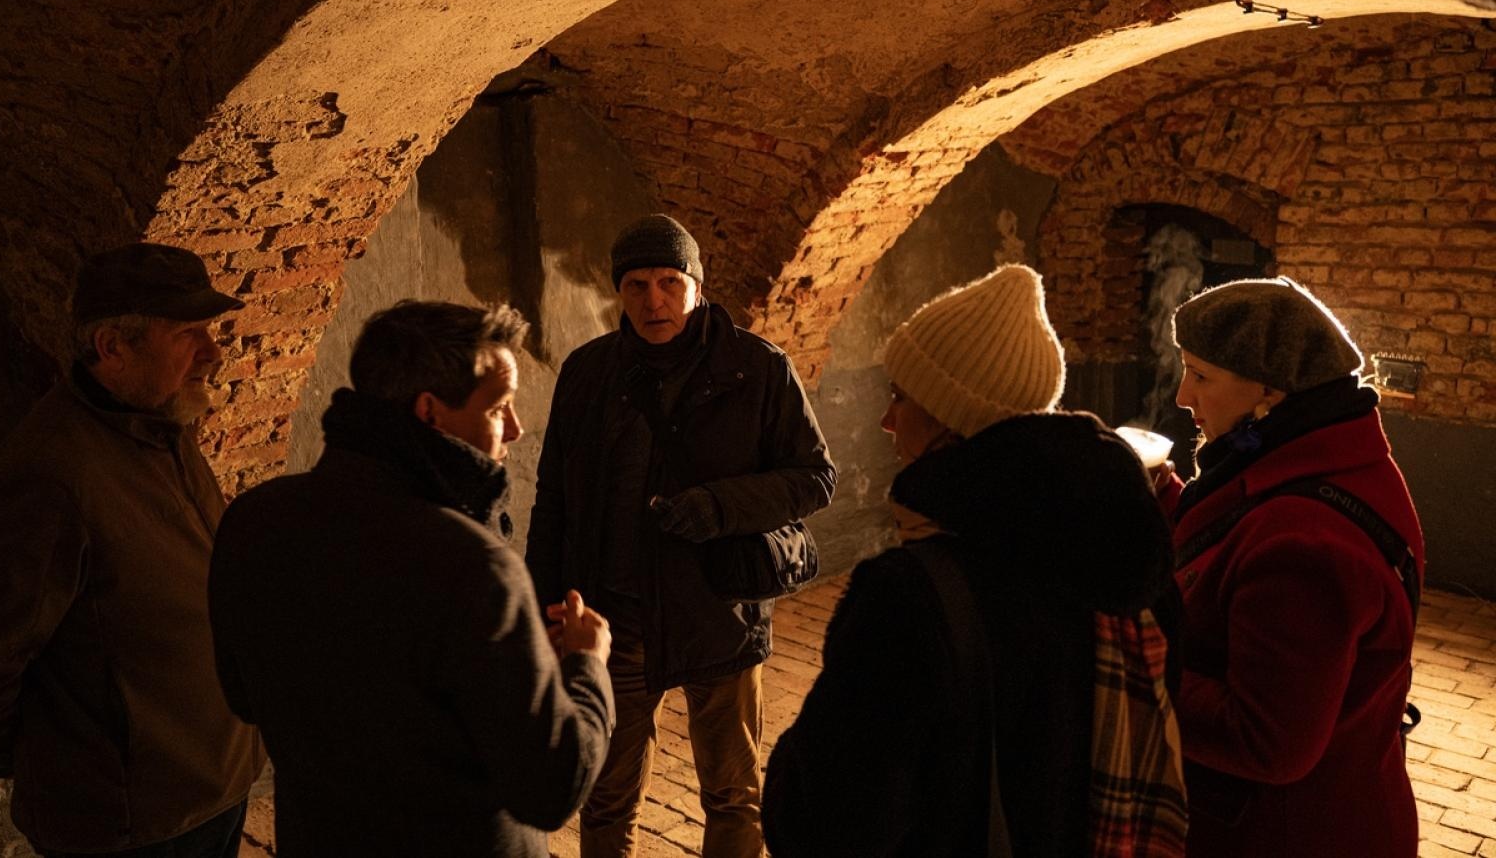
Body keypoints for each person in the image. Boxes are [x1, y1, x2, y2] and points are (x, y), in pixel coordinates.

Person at [763, 264, 1182, 857]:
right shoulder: (1129, 554)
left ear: (949, 417)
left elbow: (824, 822)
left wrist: (792, 760)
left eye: (900, 397)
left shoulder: (910, 594)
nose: (886, 420)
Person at [208, 300, 615, 857]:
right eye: (499, 407)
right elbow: (551, 787)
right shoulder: (476, 567)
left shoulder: (255, 519)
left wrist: (508, 662)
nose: (516, 429)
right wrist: (586, 665)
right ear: (430, 412)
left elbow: (245, 697)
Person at [0, 242, 265, 857]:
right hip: (134, 828)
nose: (213, 352)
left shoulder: (161, 425)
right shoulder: (51, 478)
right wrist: (65, 768)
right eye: (188, 334)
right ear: (113, 347)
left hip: (215, 788)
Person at [527, 214, 835, 858]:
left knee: (732, 795)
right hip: (614, 620)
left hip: (718, 615)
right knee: (606, 798)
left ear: (697, 285)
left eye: (670, 282)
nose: (654, 301)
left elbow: (814, 478)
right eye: (636, 285)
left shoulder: (757, 369)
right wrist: (542, 604)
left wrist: (718, 507)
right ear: (618, 291)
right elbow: (554, 495)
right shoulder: (588, 373)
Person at [1167, 277, 1425, 857]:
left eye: (1200, 375)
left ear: (1269, 389)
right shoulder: (1328, 450)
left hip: (1288, 835)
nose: (1183, 396)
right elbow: (1238, 532)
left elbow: (1266, 740)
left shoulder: (1305, 547)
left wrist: (1135, 668)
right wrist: (1166, 497)